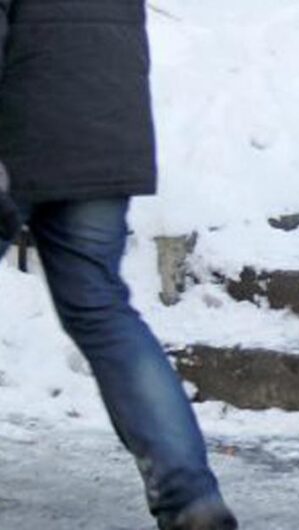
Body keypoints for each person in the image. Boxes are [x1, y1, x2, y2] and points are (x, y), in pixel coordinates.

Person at [0, 1, 237, 528]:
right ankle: (191, 499)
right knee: (103, 312)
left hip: (20, 133)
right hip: (104, 133)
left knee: (101, 311)